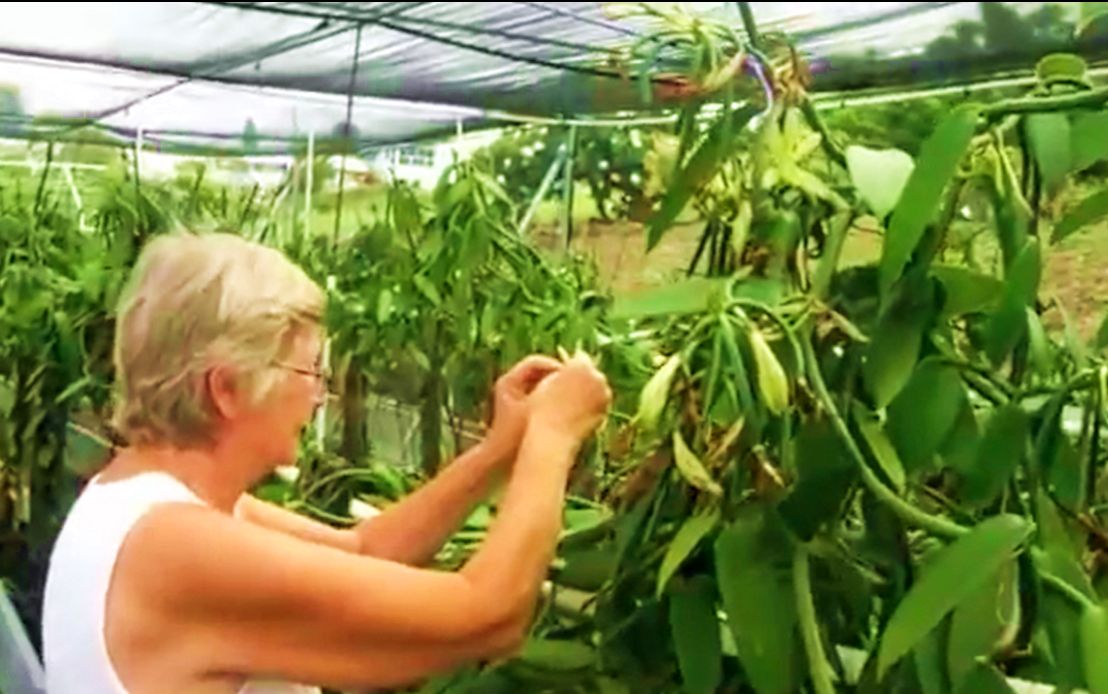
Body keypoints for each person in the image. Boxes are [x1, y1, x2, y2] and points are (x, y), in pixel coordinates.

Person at [41, 232, 612, 693]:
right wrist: (553, 436)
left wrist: (498, 451)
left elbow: (365, 550)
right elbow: (487, 615)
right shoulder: (174, 548)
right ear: (228, 389)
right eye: (309, 371)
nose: (320, 395)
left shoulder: (148, 500)